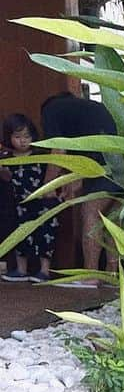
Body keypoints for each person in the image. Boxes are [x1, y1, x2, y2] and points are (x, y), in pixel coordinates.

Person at [40, 91, 124, 284]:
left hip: (102, 167)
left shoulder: (51, 110)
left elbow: (58, 150)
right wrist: (71, 184)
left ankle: (91, 276)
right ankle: (112, 274)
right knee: (113, 221)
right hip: (123, 164)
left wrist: (47, 186)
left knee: (91, 215)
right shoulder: (86, 110)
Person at [0, 113, 59, 282]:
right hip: (19, 205)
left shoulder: (40, 155)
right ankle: (21, 269)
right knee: (20, 236)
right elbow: (7, 180)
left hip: (43, 203)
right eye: (17, 137)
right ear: (8, 137)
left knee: (45, 235)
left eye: (27, 136)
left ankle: (44, 271)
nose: (23, 141)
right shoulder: (6, 159)